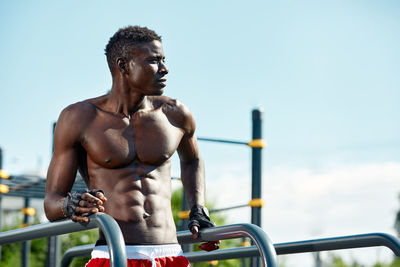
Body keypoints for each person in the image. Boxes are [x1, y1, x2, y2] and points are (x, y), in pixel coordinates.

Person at [44, 25, 218, 267]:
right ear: (123, 65)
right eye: (154, 61)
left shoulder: (175, 113)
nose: (165, 69)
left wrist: (198, 208)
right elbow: (51, 204)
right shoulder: (79, 117)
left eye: (164, 60)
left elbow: (192, 160)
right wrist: (71, 204)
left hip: (171, 255)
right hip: (114, 255)